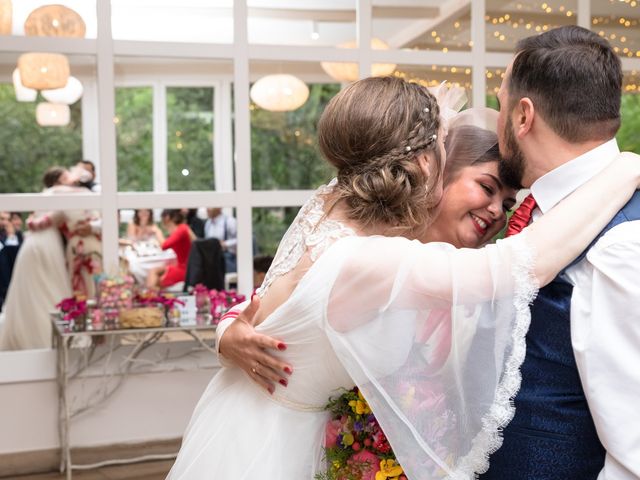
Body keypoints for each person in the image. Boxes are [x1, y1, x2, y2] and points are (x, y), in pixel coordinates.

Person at [167, 76, 640, 480]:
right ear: (428, 165)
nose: (496, 210)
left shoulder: (333, 209)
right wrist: (624, 168)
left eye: (508, 201)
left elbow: (282, 299)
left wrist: (228, 327)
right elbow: (524, 265)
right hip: (277, 444)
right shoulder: (371, 256)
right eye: (440, 147)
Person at [477, 26, 640, 480]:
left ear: (523, 115)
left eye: (501, 101)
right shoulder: (539, 209)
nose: (498, 118)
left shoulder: (624, 243)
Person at [0, 167, 97, 350]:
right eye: (68, 175)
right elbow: (47, 221)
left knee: (34, 287)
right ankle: (45, 336)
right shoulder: (62, 193)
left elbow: (37, 221)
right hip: (46, 245)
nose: (72, 177)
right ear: (60, 180)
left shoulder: (51, 195)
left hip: (36, 244)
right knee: (48, 286)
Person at [146, 209, 195, 289]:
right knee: (153, 271)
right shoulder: (182, 228)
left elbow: (164, 246)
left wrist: (157, 231)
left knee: (156, 279)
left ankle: (150, 297)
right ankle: (150, 296)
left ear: (167, 218)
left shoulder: (181, 229)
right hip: (183, 267)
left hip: (185, 270)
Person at [0, 211, 24, 309]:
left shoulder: (17, 236)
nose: (5, 223)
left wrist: (11, 236)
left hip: (13, 285)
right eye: (2, 219)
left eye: (7, 219)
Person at [204, 208, 237, 273]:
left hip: (227, 261)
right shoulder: (208, 223)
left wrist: (225, 244)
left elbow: (242, 239)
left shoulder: (229, 221)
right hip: (211, 261)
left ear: (219, 208)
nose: (207, 209)